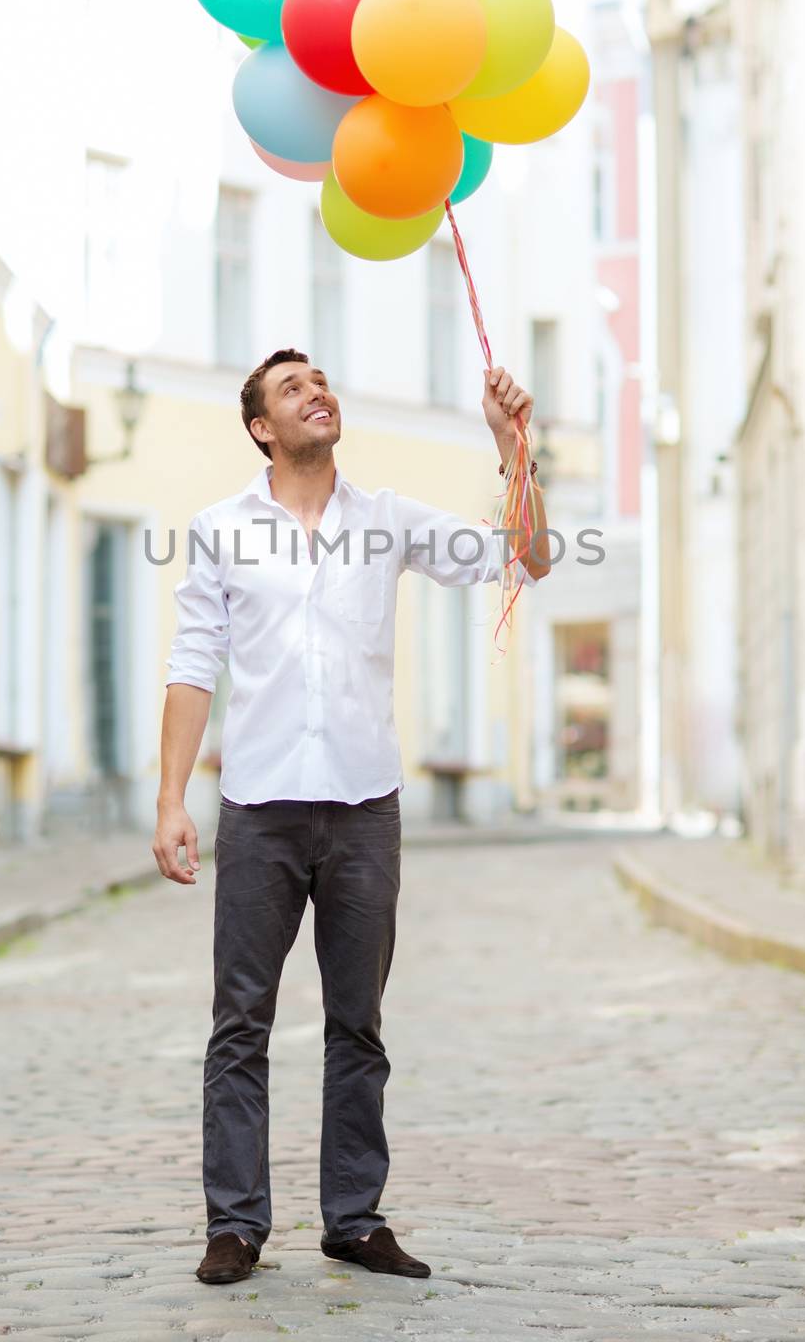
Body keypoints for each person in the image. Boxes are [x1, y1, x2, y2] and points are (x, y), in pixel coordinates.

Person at [153, 348, 552, 1286]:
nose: (317, 392)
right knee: (239, 1024)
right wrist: (172, 799)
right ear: (262, 426)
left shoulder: (387, 521)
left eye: (321, 381)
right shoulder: (220, 530)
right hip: (258, 808)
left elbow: (525, 557)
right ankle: (235, 1225)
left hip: (365, 806)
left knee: (358, 1026)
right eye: (293, 388)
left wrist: (514, 452)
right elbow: (192, 663)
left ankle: (353, 1219)